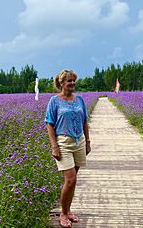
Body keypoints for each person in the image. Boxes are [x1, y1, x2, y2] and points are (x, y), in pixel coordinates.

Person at [45, 69, 91, 228]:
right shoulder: (54, 101)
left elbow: (85, 121)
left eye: (73, 80)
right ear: (61, 83)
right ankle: (63, 214)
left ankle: (68, 210)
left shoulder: (79, 100)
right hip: (63, 141)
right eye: (69, 81)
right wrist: (54, 146)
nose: (72, 83)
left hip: (79, 141)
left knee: (72, 181)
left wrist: (88, 142)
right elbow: (49, 124)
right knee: (70, 180)